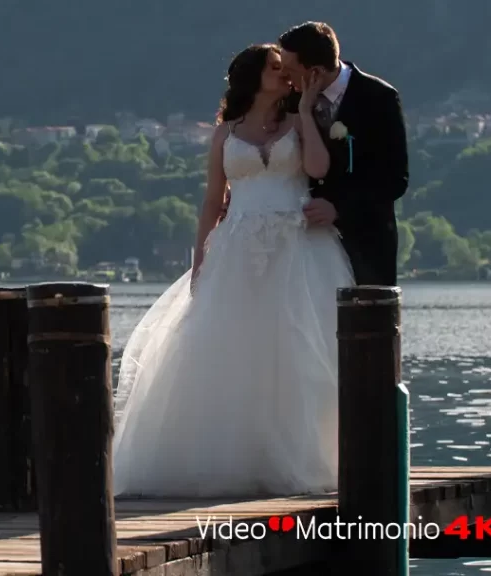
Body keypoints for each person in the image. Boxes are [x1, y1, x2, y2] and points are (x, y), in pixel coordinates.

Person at [111, 43, 355, 498]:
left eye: (287, 69)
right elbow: (211, 202)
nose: (286, 75)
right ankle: (232, 460)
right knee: (233, 350)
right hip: (237, 247)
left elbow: (319, 167)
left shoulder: (298, 121)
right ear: (253, 76)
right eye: (276, 68)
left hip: (297, 245)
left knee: (296, 348)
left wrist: (304, 109)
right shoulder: (224, 134)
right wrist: (201, 260)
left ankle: (299, 457)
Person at [279, 21, 409, 285]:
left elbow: (395, 179)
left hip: (366, 240)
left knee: (368, 322)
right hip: (306, 241)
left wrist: (339, 209)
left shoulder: (378, 97)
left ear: (314, 72)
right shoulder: (291, 99)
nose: (286, 78)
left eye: (291, 71)